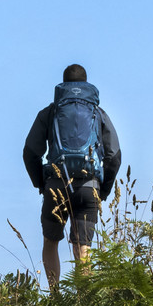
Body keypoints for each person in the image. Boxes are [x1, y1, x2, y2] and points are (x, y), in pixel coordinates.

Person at [22, 65, 122, 289]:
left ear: (63, 85)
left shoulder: (50, 112)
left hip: (56, 185)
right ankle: (83, 300)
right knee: (83, 246)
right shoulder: (98, 113)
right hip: (89, 186)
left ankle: (55, 299)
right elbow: (114, 155)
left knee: (51, 242)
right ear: (87, 85)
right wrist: (103, 189)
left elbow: (30, 152)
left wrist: (42, 183)